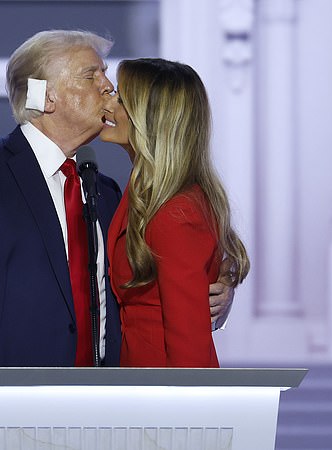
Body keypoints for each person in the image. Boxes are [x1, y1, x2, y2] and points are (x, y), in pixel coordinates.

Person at [0, 31, 235, 449]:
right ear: (44, 97)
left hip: (85, 420)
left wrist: (216, 286)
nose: (108, 86)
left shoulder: (106, 192)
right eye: (92, 75)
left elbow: (143, 284)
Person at [100, 58, 250, 368]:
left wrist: (187, 414)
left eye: (122, 99)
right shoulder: (148, 194)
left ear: (151, 119)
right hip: (139, 387)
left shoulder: (176, 212)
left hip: (164, 396)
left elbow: (188, 343)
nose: (109, 102)